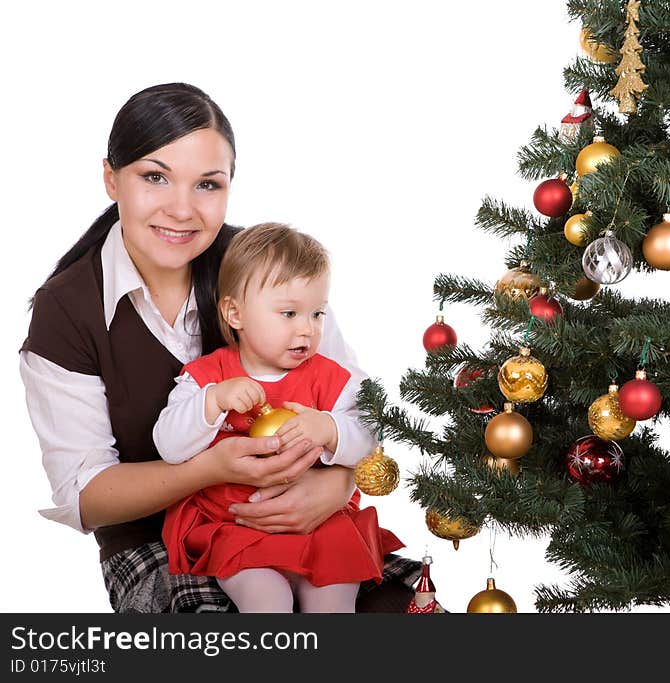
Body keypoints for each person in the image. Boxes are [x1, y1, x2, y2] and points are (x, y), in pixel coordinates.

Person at [19, 82, 420, 612]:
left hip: (308, 521)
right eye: (155, 177)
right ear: (112, 179)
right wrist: (210, 470)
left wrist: (337, 486)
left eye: (207, 184)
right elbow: (86, 494)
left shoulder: (262, 265)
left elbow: (350, 400)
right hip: (157, 546)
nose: (182, 210)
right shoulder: (68, 310)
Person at [154, 222, 403, 612]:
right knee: (267, 602)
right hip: (239, 526)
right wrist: (213, 402)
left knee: (334, 599)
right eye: (289, 313)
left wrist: (331, 429)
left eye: (317, 313)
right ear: (235, 313)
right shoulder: (206, 378)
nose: (307, 328)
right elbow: (168, 444)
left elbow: (369, 437)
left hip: (320, 524)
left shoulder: (331, 377)